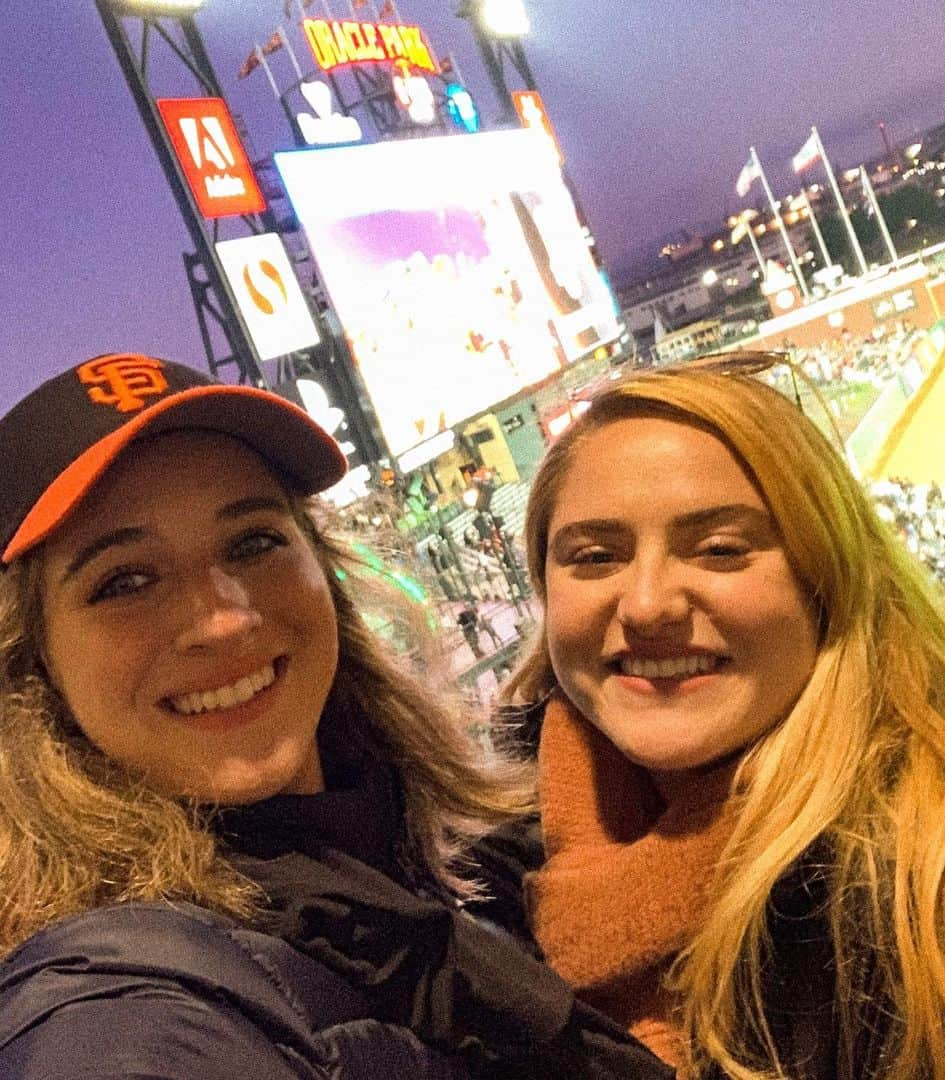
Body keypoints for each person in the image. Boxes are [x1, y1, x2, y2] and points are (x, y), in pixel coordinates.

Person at [0, 353, 672, 1080]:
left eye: (254, 541)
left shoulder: (423, 848)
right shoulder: (120, 1009)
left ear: (322, 566)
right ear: (31, 662)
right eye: (125, 581)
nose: (222, 620)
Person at [501, 362, 945, 1079]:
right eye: (595, 556)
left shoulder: (939, 903)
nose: (648, 604)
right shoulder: (500, 865)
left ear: (825, 577)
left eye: (720, 549)